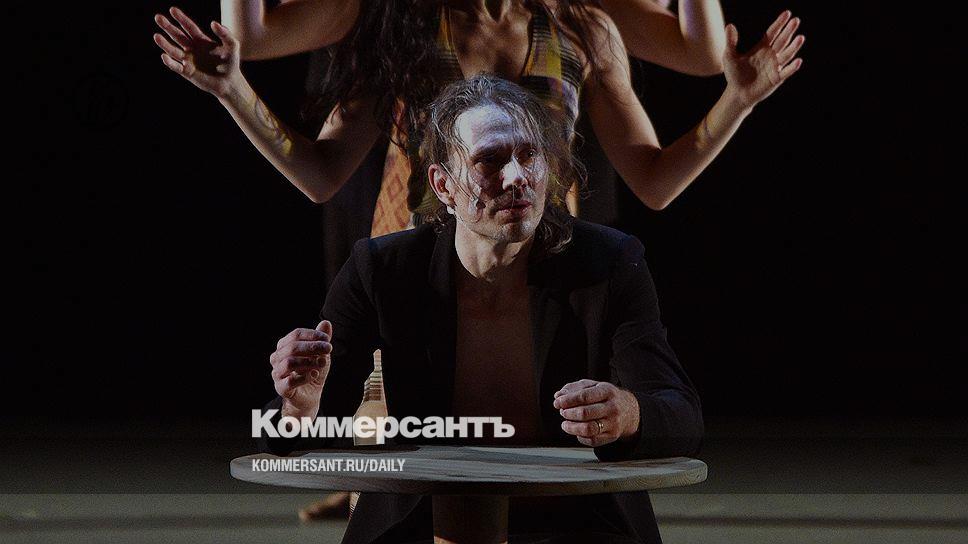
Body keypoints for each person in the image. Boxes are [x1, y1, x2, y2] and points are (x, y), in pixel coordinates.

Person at [259, 74, 704, 543]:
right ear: (444, 185)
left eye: (528, 156)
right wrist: (298, 407)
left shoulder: (607, 264)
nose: (516, 178)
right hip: (428, 522)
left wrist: (628, 414)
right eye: (489, 160)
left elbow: (683, 416)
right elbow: (289, 433)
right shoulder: (384, 270)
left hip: (576, 523)